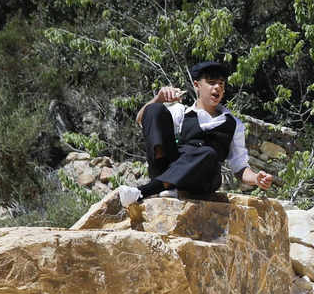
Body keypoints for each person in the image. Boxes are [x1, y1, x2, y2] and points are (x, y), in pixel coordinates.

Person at [116, 61, 276, 216]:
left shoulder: (235, 124)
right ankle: (167, 184)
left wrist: (255, 178)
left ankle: (144, 191)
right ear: (197, 85)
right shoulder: (181, 113)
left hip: (204, 180)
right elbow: (141, 119)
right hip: (173, 167)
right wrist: (159, 99)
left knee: (208, 152)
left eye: (221, 83)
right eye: (212, 82)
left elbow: (239, 167)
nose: (218, 87)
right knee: (154, 109)